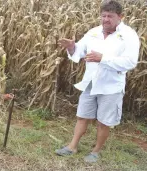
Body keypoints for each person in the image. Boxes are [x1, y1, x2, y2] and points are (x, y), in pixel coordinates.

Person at [55, 0, 140, 163]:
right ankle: (72, 146)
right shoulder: (94, 32)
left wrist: (103, 58)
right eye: (103, 16)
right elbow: (79, 51)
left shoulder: (129, 35)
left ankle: (96, 151)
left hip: (111, 87)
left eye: (110, 16)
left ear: (120, 16)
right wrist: (72, 47)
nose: (106, 19)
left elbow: (130, 62)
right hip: (90, 82)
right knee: (82, 116)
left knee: (103, 121)